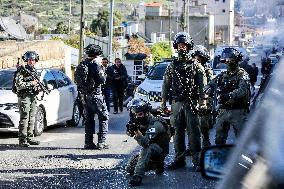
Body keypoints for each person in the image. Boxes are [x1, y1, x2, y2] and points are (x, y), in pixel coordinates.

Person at [161, 32, 207, 171]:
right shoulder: (171, 66)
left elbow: (202, 86)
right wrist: (163, 103)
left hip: (191, 103)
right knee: (177, 133)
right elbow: (165, 85)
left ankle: (197, 161)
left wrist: (203, 103)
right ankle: (179, 159)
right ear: (176, 46)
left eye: (184, 45)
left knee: (194, 133)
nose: (182, 47)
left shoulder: (196, 65)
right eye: (179, 45)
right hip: (176, 104)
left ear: (189, 46)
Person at [204, 48, 250, 145]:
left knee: (242, 141)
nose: (228, 62)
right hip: (223, 111)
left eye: (230, 60)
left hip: (238, 111)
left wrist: (229, 95)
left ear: (236, 60)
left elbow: (242, 90)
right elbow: (212, 82)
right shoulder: (223, 75)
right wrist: (207, 88)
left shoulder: (242, 75)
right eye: (226, 60)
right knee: (219, 140)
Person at [126, 99, 170, 186]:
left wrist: (137, 131)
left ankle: (138, 177)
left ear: (147, 113)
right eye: (135, 115)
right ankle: (157, 165)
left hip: (160, 151)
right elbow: (131, 133)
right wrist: (131, 131)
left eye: (140, 114)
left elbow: (145, 142)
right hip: (150, 152)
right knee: (130, 168)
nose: (137, 117)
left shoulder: (156, 123)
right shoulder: (142, 121)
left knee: (147, 147)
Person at [74, 44, 109, 150]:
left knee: (89, 119)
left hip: (85, 96)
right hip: (96, 95)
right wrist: (104, 71)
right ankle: (101, 142)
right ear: (97, 54)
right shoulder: (95, 65)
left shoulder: (82, 64)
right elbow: (102, 80)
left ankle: (88, 142)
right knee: (104, 117)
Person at [14, 51, 41, 147]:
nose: (31, 62)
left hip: (33, 96)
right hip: (24, 96)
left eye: (33, 60)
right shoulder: (21, 71)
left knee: (32, 117)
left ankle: (30, 137)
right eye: (29, 60)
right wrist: (31, 83)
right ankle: (22, 140)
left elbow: (36, 83)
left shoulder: (34, 71)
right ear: (26, 60)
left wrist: (38, 86)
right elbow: (19, 85)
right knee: (25, 117)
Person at [192, 45, 213, 147]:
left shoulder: (207, 70)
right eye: (196, 57)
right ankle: (192, 145)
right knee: (191, 124)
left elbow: (208, 85)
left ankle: (206, 140)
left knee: (203, 122)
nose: (197, 59)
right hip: (192, 98)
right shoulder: (191, 68)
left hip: (204, 98)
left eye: (199, 57)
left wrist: (204, 100)